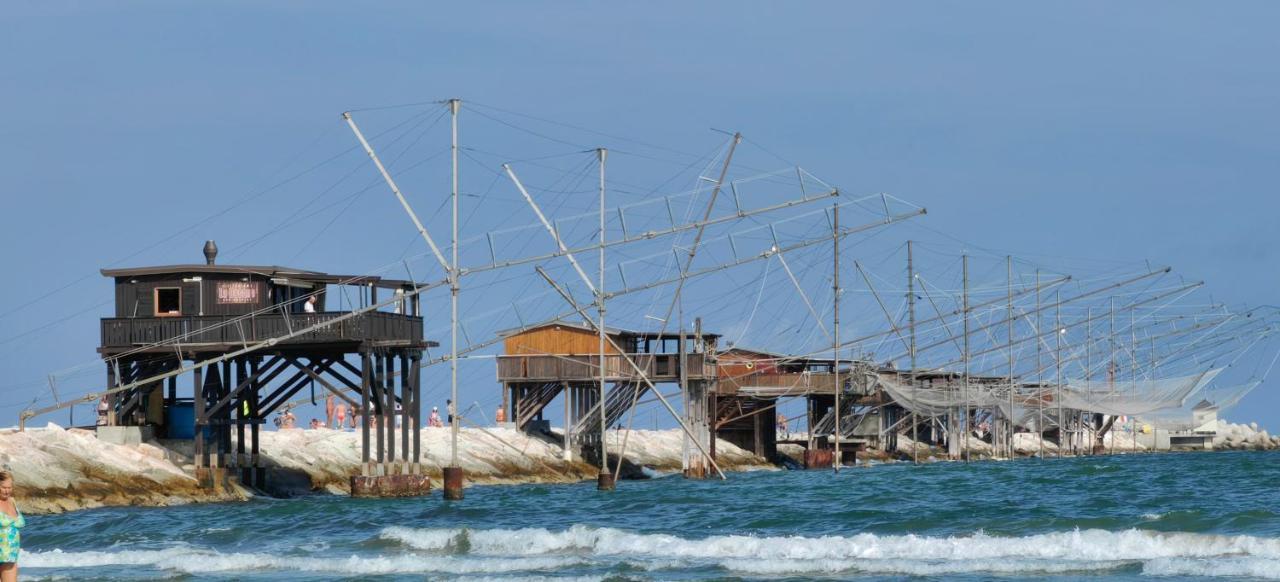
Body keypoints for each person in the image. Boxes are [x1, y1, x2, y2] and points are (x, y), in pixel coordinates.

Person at [0, 470, 24, 582]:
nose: (7, 491)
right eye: (4, 487)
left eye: (10, 487)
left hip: (11, 556)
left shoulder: (12, 501)